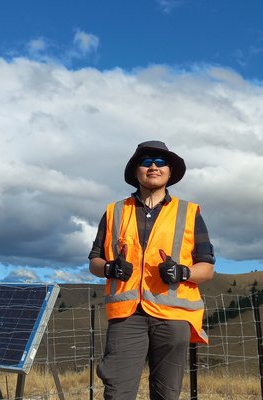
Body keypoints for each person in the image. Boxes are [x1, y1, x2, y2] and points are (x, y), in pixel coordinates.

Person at [88, 140, 215, 400]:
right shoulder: (114, 211)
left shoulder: (189, 212)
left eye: (161, 162)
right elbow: (94, 262)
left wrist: (183, 273)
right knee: (117, 392)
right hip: (127, 317)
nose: (154, 166)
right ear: (136, 171)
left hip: (174, 317)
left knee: (166, 394)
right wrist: (110, 268)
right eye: (146, 162)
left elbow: (207, 267)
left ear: (170, 172)